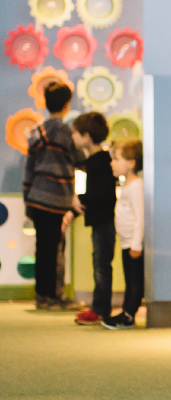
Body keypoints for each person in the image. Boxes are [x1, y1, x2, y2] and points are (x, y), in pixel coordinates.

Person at [23, 81, 83, 310]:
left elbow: (28, 168)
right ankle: (55, 297)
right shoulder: (65, 132)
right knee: (55, 248)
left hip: (37, 197)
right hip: (57, 199)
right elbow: (79, 160)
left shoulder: (37, 131)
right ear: (67, 104)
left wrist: (27, 198)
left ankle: (42, 296)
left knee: (43, 248)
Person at [68, 113, 116, 325]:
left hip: (104, 222)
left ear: (87, 136)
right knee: (100, 264)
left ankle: (100, 309)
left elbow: (103, 195)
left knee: (101, 266)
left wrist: (80, 199)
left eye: (75, 134)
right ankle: (98, 307)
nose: (73, 138)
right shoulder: (97, 161)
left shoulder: (100, 162)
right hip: (100, 221)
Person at [103, 140, 143, 330]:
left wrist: (137, 243)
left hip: (133, 244)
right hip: (126, 242)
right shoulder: (126, 185)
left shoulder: (136, 186)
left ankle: (129, 314)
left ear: (131, 163)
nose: (112, 163)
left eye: (116, 159)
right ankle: (127, 312)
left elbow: (140, 216)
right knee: (129, 279)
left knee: (135, 281)